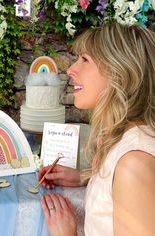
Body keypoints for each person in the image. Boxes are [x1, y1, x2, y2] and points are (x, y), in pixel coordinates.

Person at [38, 22, 155, 236]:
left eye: (85, 60)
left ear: (119, 72)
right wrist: (86, 177)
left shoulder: (134, 163)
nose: (71, 70)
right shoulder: (119, 138)